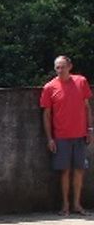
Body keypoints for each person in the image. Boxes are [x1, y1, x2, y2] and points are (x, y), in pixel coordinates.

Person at [39, 55, 92, 216]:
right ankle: (65, 205)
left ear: (70, 66)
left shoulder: (81, 82)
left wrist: (90, 129)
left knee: (79, 170)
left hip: (80, 134)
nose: (60, 70)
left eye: (62, 67)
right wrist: (50, 138)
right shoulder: (49, 87)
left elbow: (87, 107)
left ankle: (77, 204)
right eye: (57, 68)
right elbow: (46, 115)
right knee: (64, 171)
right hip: (61, 135)